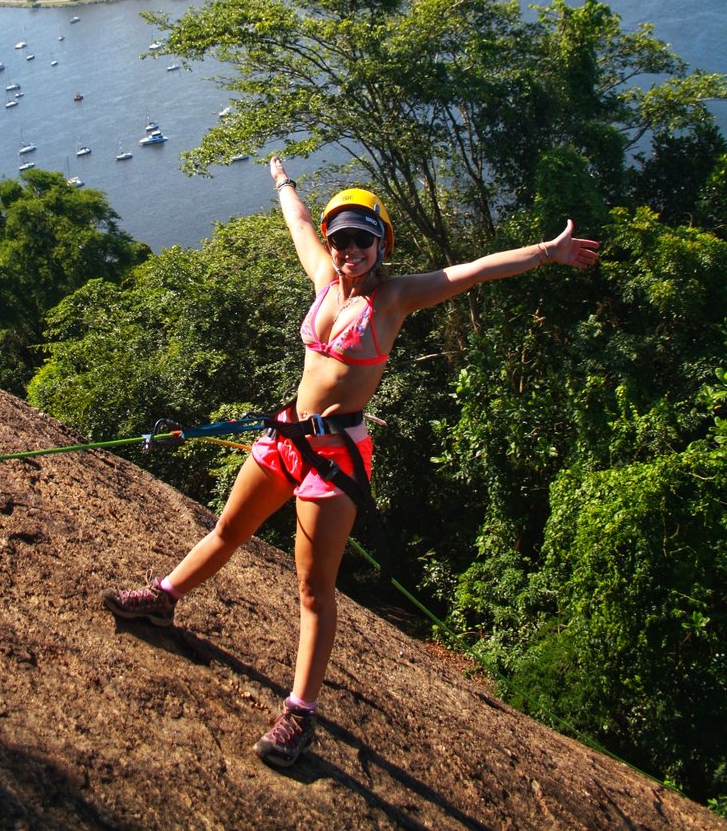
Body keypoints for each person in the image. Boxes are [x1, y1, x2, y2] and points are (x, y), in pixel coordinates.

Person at [102, 156, 600, 769]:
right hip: (284, 435)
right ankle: (164, 596)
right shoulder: (323, 279)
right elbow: (300, 222)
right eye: (342, 240)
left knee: (314, 588)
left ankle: (300, 714)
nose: (349, 250)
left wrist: (546, 254)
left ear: (381, 243)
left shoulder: (394, 298)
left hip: (335, 457)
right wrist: (282, 180)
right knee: (228, 530)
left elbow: (468, 272)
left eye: (363, 239)